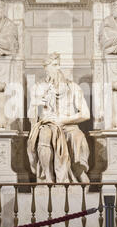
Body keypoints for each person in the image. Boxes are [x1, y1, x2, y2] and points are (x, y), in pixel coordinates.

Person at [27, 53, 91, 183]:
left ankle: (78, 173)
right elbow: (31, 116)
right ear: (46, 68)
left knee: (77, 136)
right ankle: (47, 177)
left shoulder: (73, 87)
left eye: (59, 65)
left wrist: (63, 120)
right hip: (47, 125)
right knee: (44, 135)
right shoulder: (37, 88)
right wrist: (38, 104)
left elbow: (85, 114)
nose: (58, 68)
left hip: (69, 126)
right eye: (55, 65)